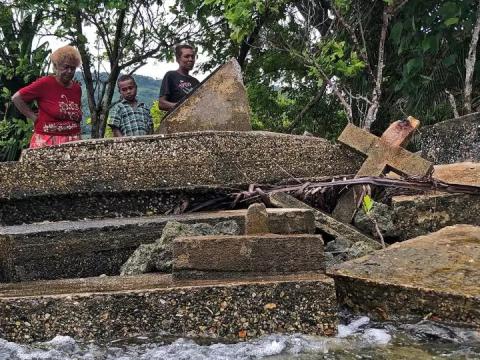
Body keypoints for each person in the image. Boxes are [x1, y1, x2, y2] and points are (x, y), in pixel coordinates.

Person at [12, 45, 82, 149]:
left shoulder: (76, 88)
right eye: (66, 67)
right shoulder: (45, 83)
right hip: (47, 141)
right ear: (56, 66)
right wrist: (34, 118)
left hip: (73, 141)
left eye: (73, 68)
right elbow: (16, 98)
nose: (69, 71)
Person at [158, 44, 200, 111]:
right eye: (186, 56)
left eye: (193, 57)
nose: (191, 59)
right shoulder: (171, 76)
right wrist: (184, 106)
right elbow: (162, 104)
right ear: (178, 59)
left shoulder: (195, 81)